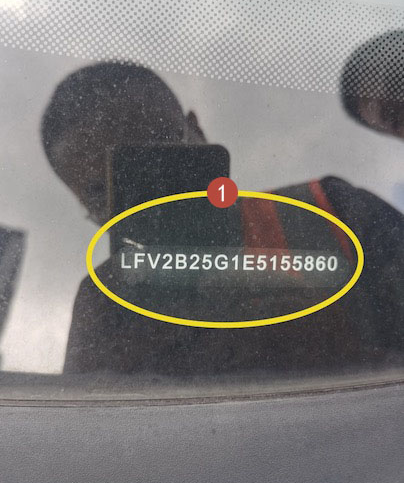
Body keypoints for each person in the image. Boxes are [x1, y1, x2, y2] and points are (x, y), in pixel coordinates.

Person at [41, 38, 404, 377]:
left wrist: (348, 351)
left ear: (197, 131)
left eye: (156, 153)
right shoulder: (102, 303)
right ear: (84, 207)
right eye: (98, 191)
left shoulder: (331, 210)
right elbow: (90, 424)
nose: (142, 195)